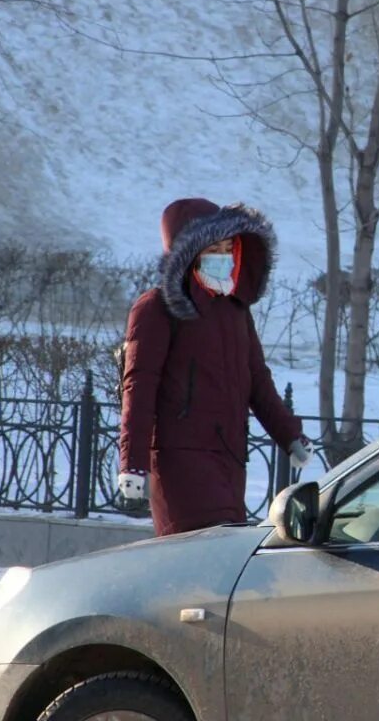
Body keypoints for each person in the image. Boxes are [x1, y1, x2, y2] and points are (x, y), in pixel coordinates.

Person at [117, 197, 312, 536]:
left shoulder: (236, 311)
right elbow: (140, 387)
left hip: (231, 461)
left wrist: (289, 434)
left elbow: (258, 381)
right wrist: (132, 462)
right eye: (213, 249)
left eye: (227, 249)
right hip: (181, 465)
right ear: (187, 252)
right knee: (196, 560)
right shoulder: (155, 309)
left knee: (219, 568)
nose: (222, 258)